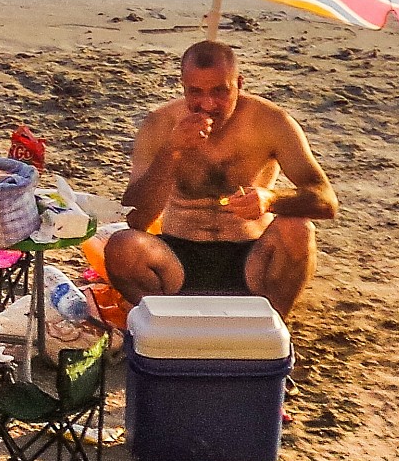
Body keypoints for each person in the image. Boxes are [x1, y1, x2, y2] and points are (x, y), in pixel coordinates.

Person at [103, 40, 338, 317]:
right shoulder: (161, 124)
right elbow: (135, 218)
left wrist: (271, 199)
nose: (208, 104)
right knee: (122, 247)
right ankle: (168, 321)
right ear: (183, 86)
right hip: (177, 258)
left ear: (239, 83)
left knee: (298, 230)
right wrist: (172, 152)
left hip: (253, 259)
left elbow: (325, 200)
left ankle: (272, 322)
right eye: (196, 92)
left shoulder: (271, 122)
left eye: (219, 91)